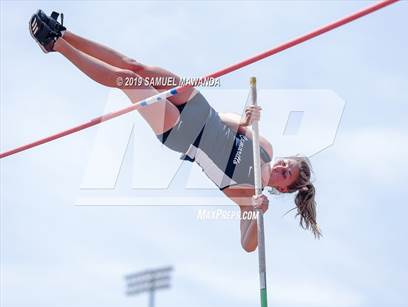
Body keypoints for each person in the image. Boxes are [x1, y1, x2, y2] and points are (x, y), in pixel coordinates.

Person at [29, 10, 321, 252]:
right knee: (136, 67)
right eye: (287, 163)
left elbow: (248, 244)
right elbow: (226, 119)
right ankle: (64, 33)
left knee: (126, 79)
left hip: (180, 132)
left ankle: (55, 44)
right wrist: (245, 120)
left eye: (286, 173)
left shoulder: (248, 194)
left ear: (282, 188)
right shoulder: (264, 147)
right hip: (199, 106)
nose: (281, 166)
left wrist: (257, 213)